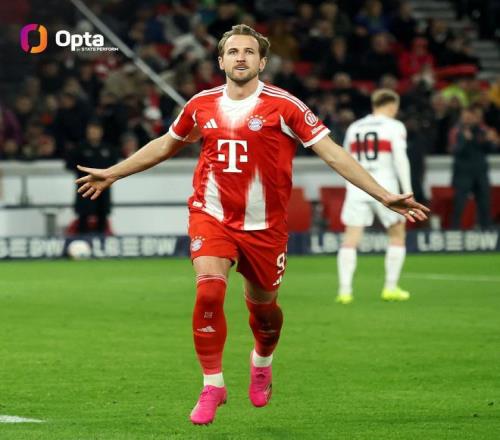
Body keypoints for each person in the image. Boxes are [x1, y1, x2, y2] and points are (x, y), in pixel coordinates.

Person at [75, 25, 428, 425]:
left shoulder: (285, 106)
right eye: (233, 51)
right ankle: (213, 385)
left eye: (248, 52)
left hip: (265, 228)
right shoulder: (201, 104)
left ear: (262, 62)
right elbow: (166, 144)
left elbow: (332, 153)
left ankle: (262, 361)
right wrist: (114, 172)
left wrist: (383, 194)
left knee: (265, 314)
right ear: (220, 61)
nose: (240, 57)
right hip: (211, 215)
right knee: (209, 292)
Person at [336, 89, 414, 304]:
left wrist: (349, 186)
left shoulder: (355, 127)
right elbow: (400, 159)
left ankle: (344, 291)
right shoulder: (394, 126)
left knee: (350, 239)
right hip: (386, 189)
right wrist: (408, 192)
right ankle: (390, 288)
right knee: (397, 235)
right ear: (392, 105)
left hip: (358, 188)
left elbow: (344, 160)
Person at [450, 105, 498, 229]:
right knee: (459, 205)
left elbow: (490, 149)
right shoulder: (456, 131)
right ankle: (454, 230)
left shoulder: (482, 132)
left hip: (480, 174)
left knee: (485, 204)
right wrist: (465, 140)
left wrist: (492, 141)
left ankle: (486, 231)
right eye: (465, 117)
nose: (468, 119)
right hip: (463, 175)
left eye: (470, 117)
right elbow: (454, 150)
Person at [67, 119, 117, 234]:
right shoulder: (79, 148)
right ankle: (82, 240)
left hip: (103, 188)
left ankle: (101, 241)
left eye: (96, 130)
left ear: (101, 132)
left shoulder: (109, 149)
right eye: (91, 130)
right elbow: (70, 165)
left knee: (102, 216)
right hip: (85, 187)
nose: (93, 133)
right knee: (83, 216)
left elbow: (115, 166)